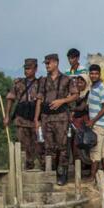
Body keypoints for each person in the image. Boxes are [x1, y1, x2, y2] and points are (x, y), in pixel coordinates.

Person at [38, 54, 78, 184]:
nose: (47, 65)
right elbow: (39, 100)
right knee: (48, 147)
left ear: (56, 63)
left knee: (62, 146)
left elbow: (75, 95)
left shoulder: (66, 79)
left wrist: (62, 101)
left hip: (61, 117)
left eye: (48, 63)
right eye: (45, 63)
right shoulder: (43, 80)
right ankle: (51, 173)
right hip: (46, 117)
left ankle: (63, 173)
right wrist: (36, 119)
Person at [5, 58, 42, 170]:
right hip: (21, 119)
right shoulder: (18, 83)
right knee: (23, 145)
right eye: (25, 68)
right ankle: (25, 168)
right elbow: (10, 99)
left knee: (37, 146)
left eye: (29, 68)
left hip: (35, 119)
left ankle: (37, 166)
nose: (26, 71)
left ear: (35, 69)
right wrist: (7, 116)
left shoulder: (41, 83)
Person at [84, 64, 104, 178]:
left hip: (99, 124)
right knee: (103, 152)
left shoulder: (101, 87)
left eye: (96, 73)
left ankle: (92, 178)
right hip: (99, 124)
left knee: (95, 152)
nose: (93, 75)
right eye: (92, 73)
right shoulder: (92, 87)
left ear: (99, 75)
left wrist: (93, 121)